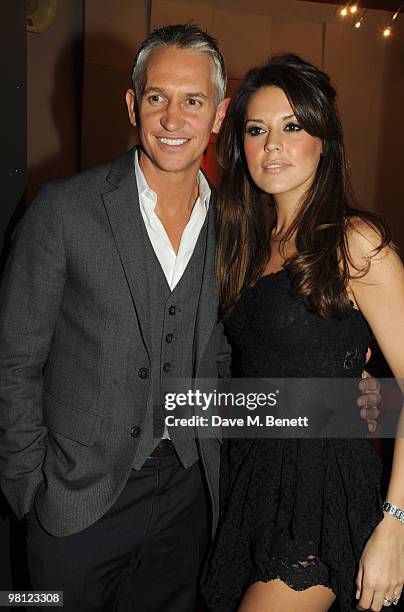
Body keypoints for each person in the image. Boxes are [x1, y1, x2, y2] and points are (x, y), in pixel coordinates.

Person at [0, 25, 379, 611]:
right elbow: (13, 362)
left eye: (193, 101)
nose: (173, 118)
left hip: (191, 504)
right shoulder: (62, 211)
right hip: (72, 507)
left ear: (219, 114)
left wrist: (345, 402)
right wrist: (31, 491)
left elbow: (239, 362)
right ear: (133, 104)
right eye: (157, 97)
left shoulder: (240, 230)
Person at [202, 54, 404, 612]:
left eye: (292, 127)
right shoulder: (245, 241)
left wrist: (396, 527)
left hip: (319, 492)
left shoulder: (355, 242)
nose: (272, 145)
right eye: (257, 129)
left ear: (325, 139)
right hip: (248, 478)